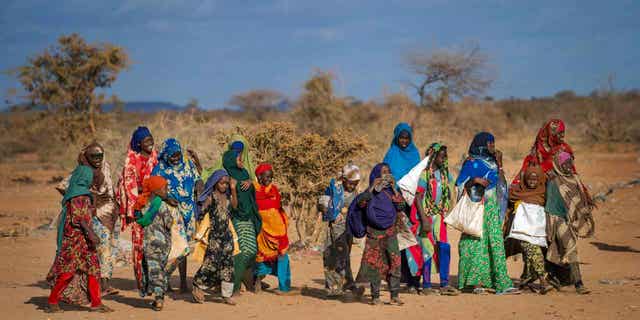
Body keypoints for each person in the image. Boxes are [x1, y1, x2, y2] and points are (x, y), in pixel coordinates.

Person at [455, 132, 520, 295]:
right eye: (490, 144)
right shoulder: (471, 163)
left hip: (491, 209)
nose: (493, 147)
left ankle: (502, 283)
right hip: (476, 209)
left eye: (493, 143)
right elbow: (460, 185)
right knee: (476, 245)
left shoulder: (493, 163)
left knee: (496, 245)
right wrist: (475, 181)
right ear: (482, 145)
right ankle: (477, 283)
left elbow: (502, 185)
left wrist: (500, 164)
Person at [46, 165, 113, 313]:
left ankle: (96, 303)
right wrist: (92, 233)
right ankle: (52, 301)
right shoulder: (78, 196)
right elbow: (79, 219)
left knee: (93, 270)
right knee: (68, 272)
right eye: (91, 178)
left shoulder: (81, 194)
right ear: (85, 178)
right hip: (75, 241)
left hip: (84, 240)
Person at [56, 142, 118, 295]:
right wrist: (87, 198)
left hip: (107, 212)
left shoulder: (106, 166)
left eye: (100, 155)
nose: (97, 158)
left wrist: (113, 206)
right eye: (94, 156)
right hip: (87, 215)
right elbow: (64, 187)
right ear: (86, 156)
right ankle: (100, 285)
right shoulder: (82, 170)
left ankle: (102, 284)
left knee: (107, 247)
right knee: (97, 247)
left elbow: (109, 189)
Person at [152, 138, 203, 292]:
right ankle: (165, 281)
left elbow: (198, 179)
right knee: (171, 247)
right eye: (172, 156)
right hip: (170, 212)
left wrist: (199, 189)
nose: (175, 158)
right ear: (166, 155)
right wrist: (166, 197)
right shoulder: (160, 168)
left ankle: (182, 282)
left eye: (177, 155)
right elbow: (152, 187)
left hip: (188, 213)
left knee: (184, 249)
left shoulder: (188, 164)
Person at [348, 163, 404, 306]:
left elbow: (401, 206)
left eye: (388, 172)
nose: (385, 175)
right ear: (376, 175)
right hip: (374, 233)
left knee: (394, 262)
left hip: (390, 232)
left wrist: (393, 187)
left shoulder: (391, 192)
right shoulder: (369, 193)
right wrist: (373, 187)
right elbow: (361, 203)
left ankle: (395, 295)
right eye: (383, 172)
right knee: (375, 265)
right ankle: (375, 296)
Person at [409, 143, 458, 295]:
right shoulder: (425, 174)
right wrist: (423, 219)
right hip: (426, 216)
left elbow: (451, 192)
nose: (444, 159)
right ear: (434, 156)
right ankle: (427, 286)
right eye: (441, 156)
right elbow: (418, 197)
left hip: (440, 217)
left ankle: (444, 284)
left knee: (444, 248)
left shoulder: (446, 175)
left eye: (445, 156)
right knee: (427, 250)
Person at [545, 151, 595, 294]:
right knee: (571, 248)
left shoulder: (575, 179)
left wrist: (583, 214)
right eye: (564, 163)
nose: (568, 166)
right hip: (558, 219)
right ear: (558, 165)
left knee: (560, 250)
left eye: (570, 163)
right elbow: (551, 205)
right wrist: (552, 223)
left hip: (573, 220)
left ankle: (551, 276)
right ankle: (579, 283)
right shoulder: (553, 180)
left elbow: (580, 200)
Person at [116, 126, 158, 295]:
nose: (150, 143)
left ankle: (156, 282)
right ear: (139, 143)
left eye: (151, 139)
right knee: (139, 245)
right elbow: (129, 187)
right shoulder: (132, 160)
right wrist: (139, 207)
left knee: (155, 244)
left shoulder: (156, 157)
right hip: (138, 207)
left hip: (155, 205)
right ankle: (142, 282)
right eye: (146, 141)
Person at [503, 165, 552, 294]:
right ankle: (543, 280)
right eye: (529, 179)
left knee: (531, 256)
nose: (532, 182)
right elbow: (508, 200)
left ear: (540, 180)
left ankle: (526, 281)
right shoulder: (517, 192)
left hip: (537, 231)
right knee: (533, 251)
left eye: (535, 180)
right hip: (522, 230)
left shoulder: (543, 194)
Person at [192, 169, 238, 305]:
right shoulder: (211, 197)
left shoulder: (229, 197)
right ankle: (197, 284)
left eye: (226, 183)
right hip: (215, 238)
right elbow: (201, 212)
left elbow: (235, 207)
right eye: (222, 183)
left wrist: (234, 190)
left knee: (228, 266)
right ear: (215, 183)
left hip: (227, 237)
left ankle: (226, 295)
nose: (224, 186)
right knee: (211, 263)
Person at [318, 163, 361, 297]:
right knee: (332, 256)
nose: (353, 186)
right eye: (351, 183)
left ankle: (347, 283)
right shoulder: (334, 188)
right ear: (344, 180)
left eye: (355, 183)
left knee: (344, 257)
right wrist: (328, 210)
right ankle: (333, 288)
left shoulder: (356, 192)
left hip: (348, 230)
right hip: (334, 230)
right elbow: (322, 202)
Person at [133, 176, 175, 311]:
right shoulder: (161, 205)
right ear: (156, 190)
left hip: (148, 244)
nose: (167, 190)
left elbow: (138, 219)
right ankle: (159, 300)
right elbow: (169, 223)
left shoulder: (142, 204)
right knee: (159, 270)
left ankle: (157, 297)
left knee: (154, 270)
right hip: (162, 243)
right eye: (164, 188)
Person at [223, 149, 262, 293]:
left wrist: (250, 181)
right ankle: (235, 287)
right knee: (243, 252)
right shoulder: (226, 177)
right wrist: (233, 189)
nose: (242, 162)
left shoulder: (245, 173)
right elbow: (233, 205)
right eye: (239, 160)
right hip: (237, 218)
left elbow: (251, 194)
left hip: (249, 216)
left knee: (252, 251)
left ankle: (240, 282)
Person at [253, 163, 292, 294]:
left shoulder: (274, 190)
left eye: (271, 177)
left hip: (278, 230)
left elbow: (278, 207)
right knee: (261, 256)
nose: (269, 179)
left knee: (282, 255)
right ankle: (257, 280)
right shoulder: (253, 190)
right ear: (259, 176)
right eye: (266, 177)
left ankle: (284, 286)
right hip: (263, 230)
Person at [513, 119, 574, 184]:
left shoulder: (564, 148)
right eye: (559, 133)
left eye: (563, 132)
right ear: (552, 134)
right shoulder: (541, 145)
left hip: (560, 176)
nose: (563, 136)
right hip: (539, 175)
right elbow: (535, 163)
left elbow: (569, 167)